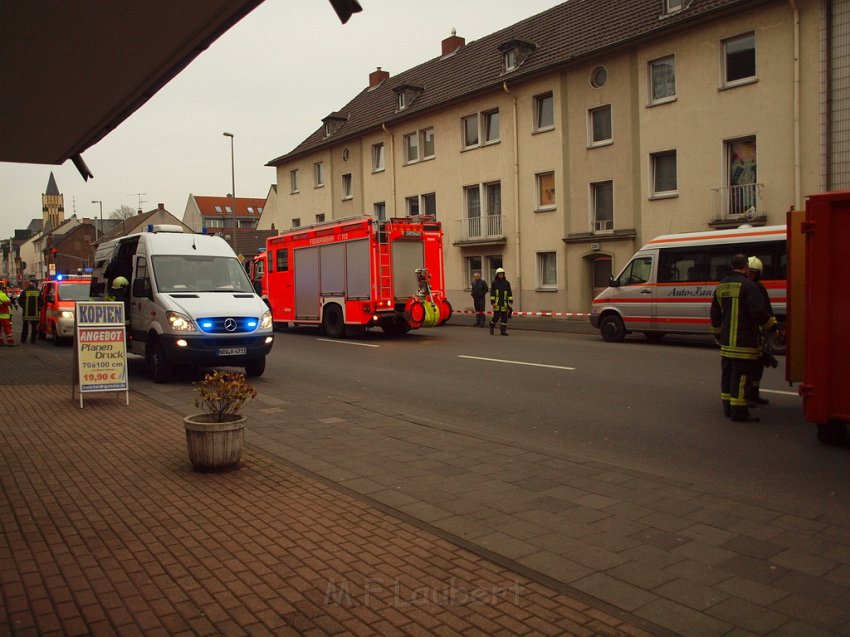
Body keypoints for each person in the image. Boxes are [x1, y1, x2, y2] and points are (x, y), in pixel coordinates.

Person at [710, 253, 777, 422]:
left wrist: (718, 335)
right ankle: (739, 412)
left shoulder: (721, 286)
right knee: (741, 378)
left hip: (726, 343)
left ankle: (728, 408)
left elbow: (715, 315)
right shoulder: (749, 287)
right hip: (744, 343)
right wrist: (773, 328)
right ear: (746, 267)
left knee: (727, 376)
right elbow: (759, 313)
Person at [746, 256, 777, 406]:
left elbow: (766, 310)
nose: (749, 275)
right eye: (748, 272)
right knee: (748, 368)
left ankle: (754, 394)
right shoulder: (745, 288)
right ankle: (747, 396)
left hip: (759, 335)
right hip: (748, 334)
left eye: (753, 272)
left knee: (758, 368)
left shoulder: (759, 288)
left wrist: (773, 328)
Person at [489, 267, 513, 336]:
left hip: (504, 303)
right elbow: (492, 293)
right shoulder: (494, 283)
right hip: (497, 303)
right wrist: (493, 302)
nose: (501, 275)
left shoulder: (507, 283)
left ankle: (503, 331)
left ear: (503, 274)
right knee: (495, 317)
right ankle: (491, 326)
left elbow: (509, 292)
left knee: (504, 318)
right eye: (499, 274)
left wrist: (510, 300)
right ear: (497, 275)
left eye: (502, 274)